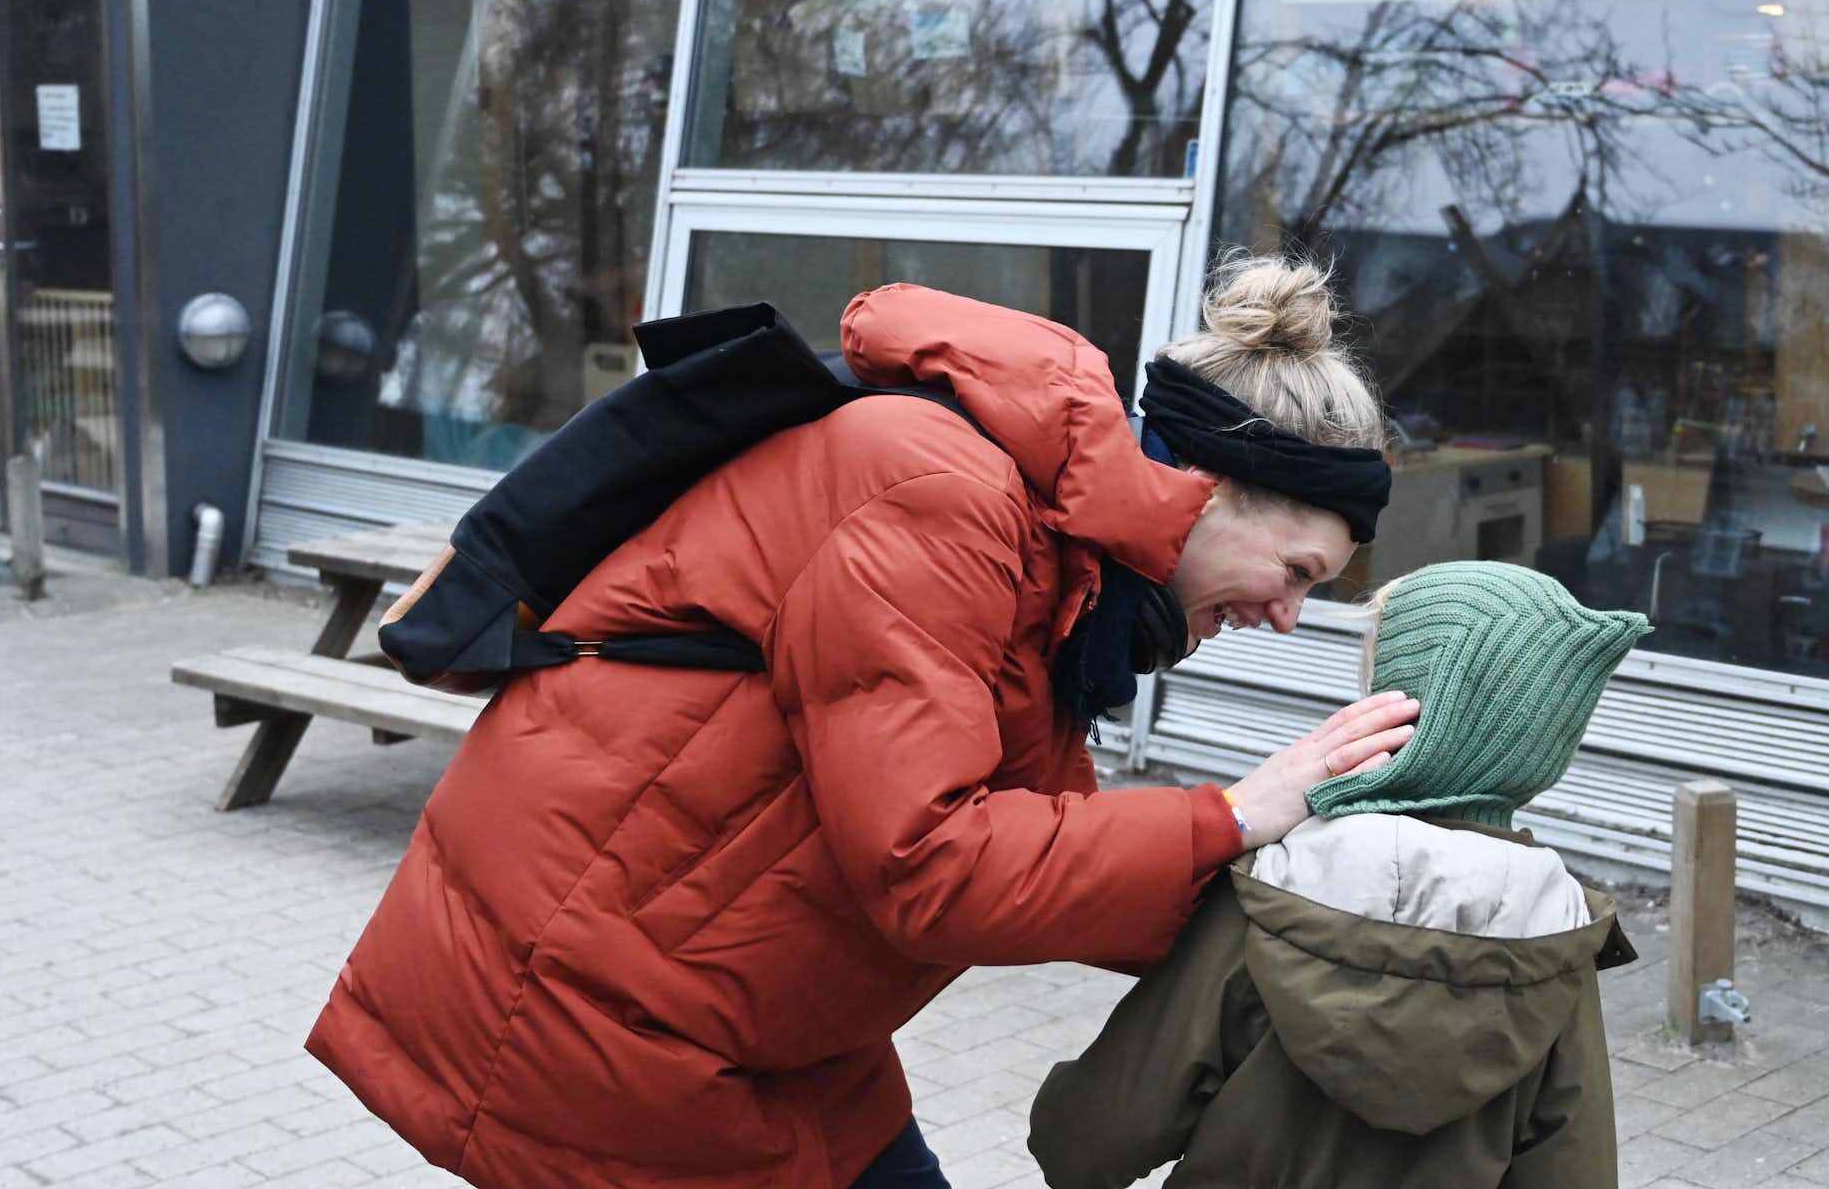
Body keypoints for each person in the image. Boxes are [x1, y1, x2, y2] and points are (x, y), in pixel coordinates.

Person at [306, 257, 1417, 1188]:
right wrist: (1233, 812)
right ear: (1214, 486)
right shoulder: (938, 493)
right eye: (1296, 571)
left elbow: (1045, 854)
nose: (1284, 616)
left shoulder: (1057, 565)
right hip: (599, 1010)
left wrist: (1314, 921)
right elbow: (933, 864)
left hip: (749, 1007)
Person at [1028, 560, 1650, 1189]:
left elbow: (1085, 1141)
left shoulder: (1272, 887)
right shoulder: (1554, 938)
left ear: (1395, 702)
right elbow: (1574, 1167)